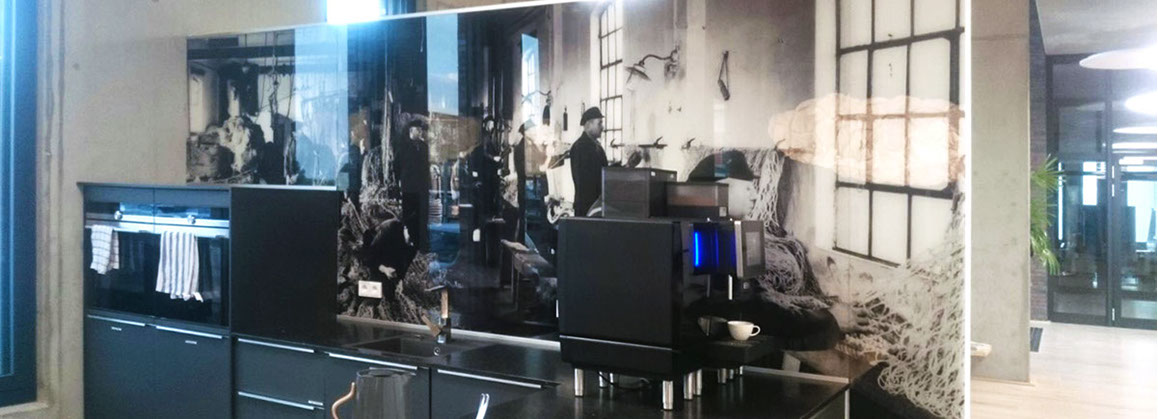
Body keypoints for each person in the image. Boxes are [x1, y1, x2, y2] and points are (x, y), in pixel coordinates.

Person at [687, 151, 872, 349]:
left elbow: (755, 296)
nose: (755, 196)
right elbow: (750, 309)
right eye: (748, 188)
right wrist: (829, 319)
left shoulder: (716, 229)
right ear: (722, 188)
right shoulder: (703, 237)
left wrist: (822, 307)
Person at [393, 118, 431, 251]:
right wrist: (400, 183)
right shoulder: (403, 147)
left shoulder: (424, 147)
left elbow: (426, 168)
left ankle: (422, 243)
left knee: (422, 216)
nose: (420, 132)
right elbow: (396, 167)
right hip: (409, 188)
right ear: (411, 131)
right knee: (410, 217)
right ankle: (412, 242)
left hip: (422, 188)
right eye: (417, 129)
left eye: (421, 130)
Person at [569, 107, 608, 216]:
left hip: (597, 205)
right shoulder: (579, 147)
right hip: (586, 206)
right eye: (599, 123)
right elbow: (584, 181)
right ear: (588, 124)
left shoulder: (597, 147)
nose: (602, 127)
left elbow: (603, 170)